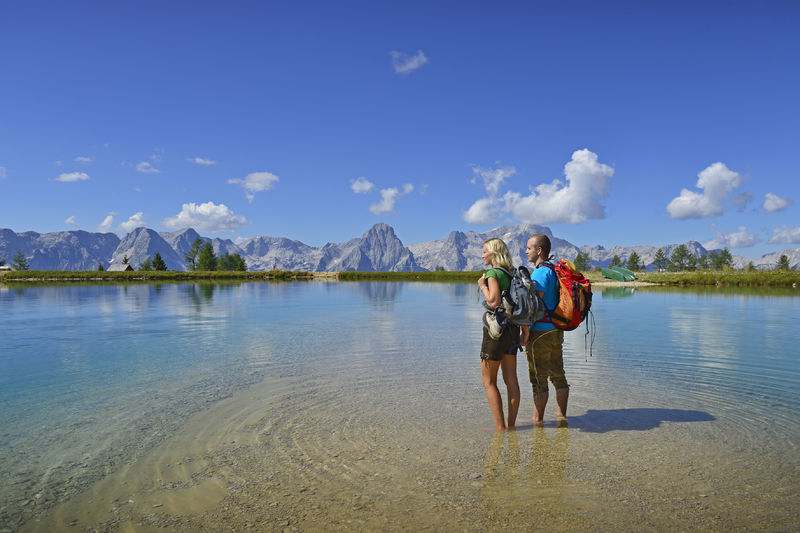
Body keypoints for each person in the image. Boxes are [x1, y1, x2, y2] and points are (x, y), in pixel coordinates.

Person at [520, 234, 568, 427]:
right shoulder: (554, 270)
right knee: (558, 374)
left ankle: (537, 421)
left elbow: (532, 307)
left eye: (528, 248)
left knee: (538, 379)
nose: (526, 251)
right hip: (555, 330)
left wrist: (525, 332)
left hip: (540, 333)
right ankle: (561, 417)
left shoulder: (540, 273)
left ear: (539, 250)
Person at [477, 238, 521, 432]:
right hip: (512, 330)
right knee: (511, 380)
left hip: (496, 331)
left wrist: (483, 285)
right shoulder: (511, 274)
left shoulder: (493, 273)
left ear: (493, 253)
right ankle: (511, 426)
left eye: (485, 251)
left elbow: (494, 302)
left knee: (489, 382)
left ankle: (499, 429)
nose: (482, 254)